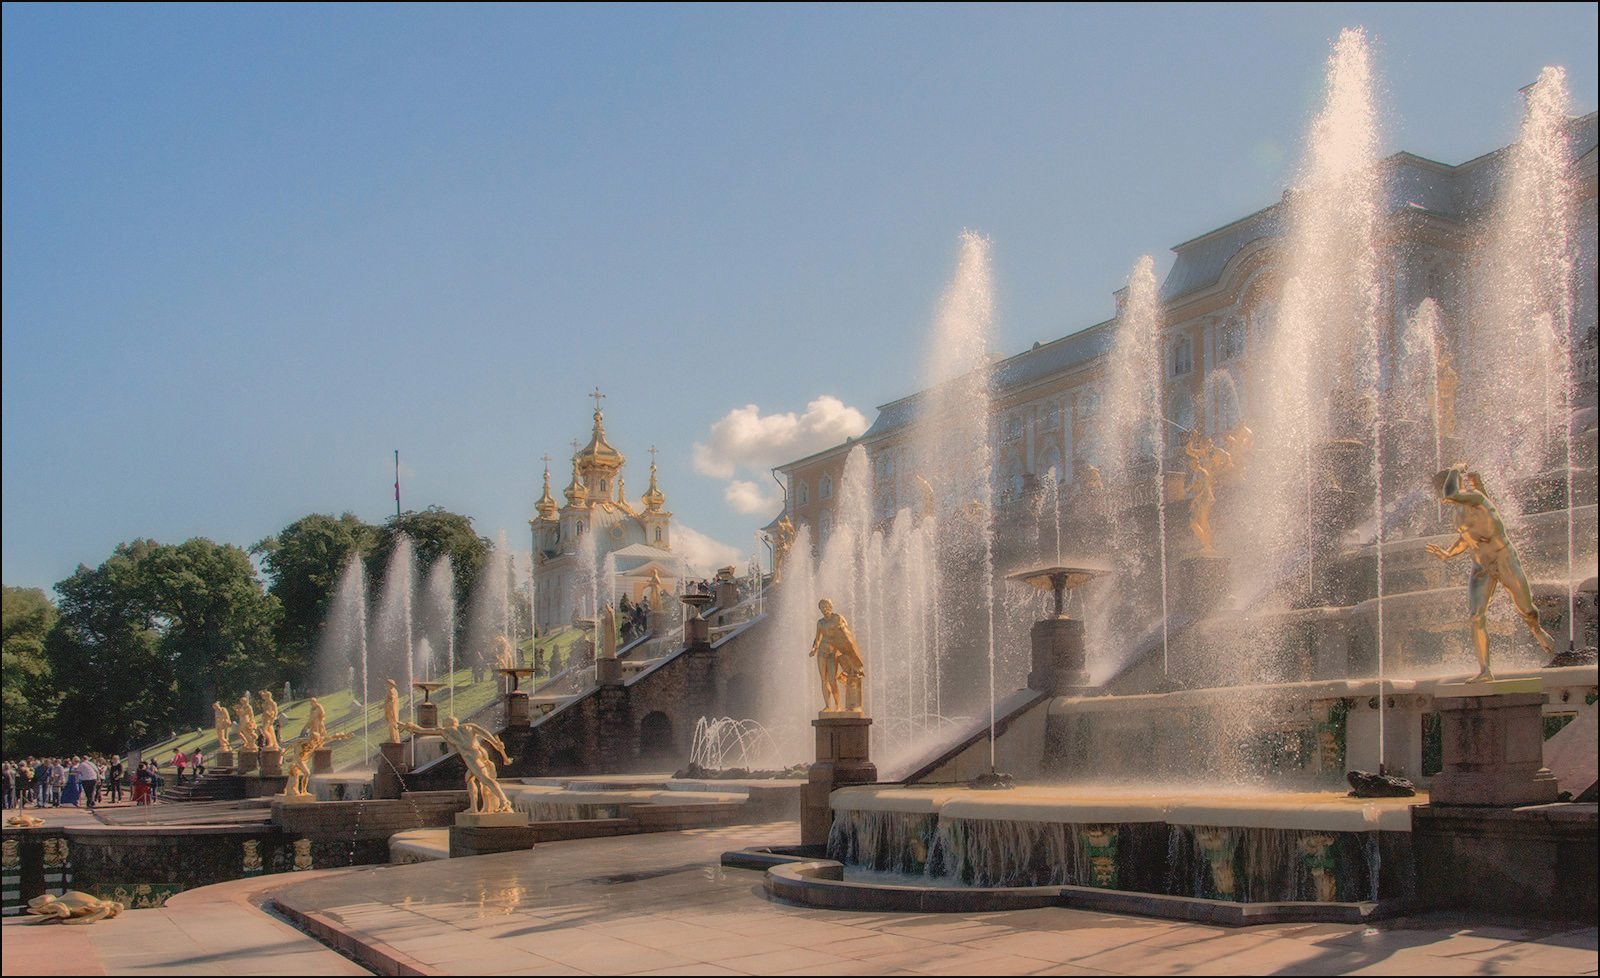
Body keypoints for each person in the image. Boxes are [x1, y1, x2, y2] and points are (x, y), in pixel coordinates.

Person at [1428, 464, 1557, 681]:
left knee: (1527, 611)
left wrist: (1455, 470)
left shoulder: (1476, 497)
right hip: (1481, 567)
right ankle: (1485, 670)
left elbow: (1451, 494)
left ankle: (1537, 630)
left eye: (1439, 488)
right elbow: (1467, 538)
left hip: (1504, 558)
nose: (1438, 494)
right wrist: (1449, 554)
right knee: (1475, 617)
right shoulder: (1457, 512)